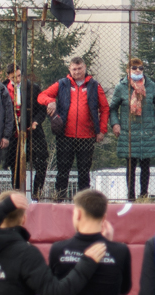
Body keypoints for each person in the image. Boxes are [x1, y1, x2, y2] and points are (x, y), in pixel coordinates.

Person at [38, 56, 109, 200]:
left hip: (87, 137)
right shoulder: (62, 84)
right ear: (69, 69)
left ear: (85, 68)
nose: (77, 71)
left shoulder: (94, 86)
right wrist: (50, 101)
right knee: (63, 172)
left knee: (84, 172)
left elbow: (105, 108)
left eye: (79, 68)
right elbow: (41, 96)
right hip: (65, 136)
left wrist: (102, 130)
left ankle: (85, 203)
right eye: (74, 69)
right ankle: (59, 200)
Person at [108, 58, 155, 201]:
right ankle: (130, 197)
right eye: (134, 68)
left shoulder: (150, 85)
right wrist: (115, 124)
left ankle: (144, 196)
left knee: (145, 166)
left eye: (140, 68)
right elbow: (112, 109)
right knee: (130, 166)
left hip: (147, 131)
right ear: (128, 70)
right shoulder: (121, 87)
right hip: (129, 132)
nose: (138, 70)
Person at [9, 67, 49, 199]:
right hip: (15, 134)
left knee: (41, 162)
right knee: (15, 166)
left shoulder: (33, 88)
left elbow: (42, 109)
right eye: (14, 77)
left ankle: (36, 193)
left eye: (19, 76)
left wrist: (35, 122)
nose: (17, 79)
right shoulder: (5, 89)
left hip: (34, 133)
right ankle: (17, 195)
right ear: (9, 77)